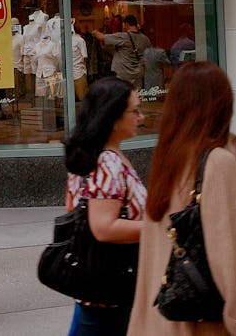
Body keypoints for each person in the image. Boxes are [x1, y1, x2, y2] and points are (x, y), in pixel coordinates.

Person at [127, 62, 236, 336]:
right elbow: (229, 255)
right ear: (222, 105)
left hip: (163, 318)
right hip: (204, 322)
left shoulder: (169, 158)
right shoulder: (217, 162)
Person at [63, 77, 147, 336]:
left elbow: (72, 211)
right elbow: (103, 227)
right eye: (135, 111)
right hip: (110, 282)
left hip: (99, 283)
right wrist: (157, 226)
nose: (141, 117)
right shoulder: (106, 162)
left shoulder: (96, 154)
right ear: (113, 117)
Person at [92, 16, 150, 87]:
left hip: (123, 75)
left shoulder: (123, 37)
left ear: (127, 24)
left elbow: (101, 37)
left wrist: (95, 32)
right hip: (138, 75)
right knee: (136, 96)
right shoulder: (146, 39)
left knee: (123, 96)